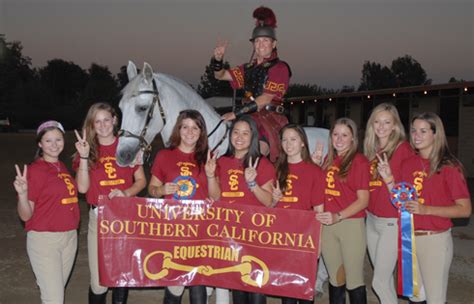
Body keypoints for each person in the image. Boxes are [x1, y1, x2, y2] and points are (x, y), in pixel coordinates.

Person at [376, 112, 471, 304]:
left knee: (435, 298)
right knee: (416, 295)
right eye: (413, 130)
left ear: (436, 134)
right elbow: (401, 199)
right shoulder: (408, 163)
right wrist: (388, 180)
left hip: (434, 240)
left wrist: (425, 209)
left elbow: (464, 209)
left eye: (423, 131)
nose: (416, 135)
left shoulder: (449, 167)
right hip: (409, 237)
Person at [74, 102, 146, 304]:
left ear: (115, 120)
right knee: (99, 281)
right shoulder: (87, 149)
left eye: (107, 119)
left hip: (125, 218)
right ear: (92, 125)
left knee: (121, 276)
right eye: (97, 121)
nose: (103, 125)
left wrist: (126, 192)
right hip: (99, 219)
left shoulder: (128, 146)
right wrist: (84, 158)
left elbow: (141, 181)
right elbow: (82, 188)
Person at [206, 115, 275, 304]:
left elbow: (269, 202)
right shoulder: (221, 161)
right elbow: (216, 197)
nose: (239, 137)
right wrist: (211, 176)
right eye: (235, 132)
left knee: (255, 287)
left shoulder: (263, 163)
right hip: (229, 235)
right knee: (237, 286)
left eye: (245, 133)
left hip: (254, 235)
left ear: (253, 137)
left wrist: (252, 183)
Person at [211, 6, 291, 162]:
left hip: (269, 116)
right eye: (257, 41)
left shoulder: (280, 68)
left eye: (265, 40)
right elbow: (220, 75)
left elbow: (266, 98)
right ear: (253, 44)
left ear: (274, 44)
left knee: (259, 148)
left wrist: (236, 113)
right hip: (247, 114)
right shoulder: (247, 68)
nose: (261, 44)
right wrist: (218, 60)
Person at [13, 120, 80, 304]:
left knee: (55, 294)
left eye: (58, 139)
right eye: (48, 140)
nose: (54, 145)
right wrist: (23, 195)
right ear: (40, 144)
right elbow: (25, 216)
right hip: (45, 240)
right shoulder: (35, 170)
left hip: (69, 238)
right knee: (54, 299)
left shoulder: (62, 168)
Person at [148, 110, 209, 304]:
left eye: (195, 127)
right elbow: (151, 188)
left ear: (201, 132)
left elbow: (216, 194)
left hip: (200, 229)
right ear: (178, 129)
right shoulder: (164, 155)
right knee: (175, 281)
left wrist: (212, 187)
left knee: (198, 281)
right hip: (173, 228)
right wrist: (161, 189)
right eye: (185, 127)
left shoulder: (208, 157)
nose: (189, 132)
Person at [363, 103, 416, 304]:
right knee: (383, 278)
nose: (381, 126)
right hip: (372, 220)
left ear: (395, 125)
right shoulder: (372, 149)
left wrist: (389, 178)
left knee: (379, 282)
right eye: (377, 121)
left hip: (392, 221)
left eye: (387, 122)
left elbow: (408, 191)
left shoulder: (403, 149)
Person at [315, 118, 370, 304]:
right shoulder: (328, 160)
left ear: (353, 138)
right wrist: (314, 165)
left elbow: (363, 200)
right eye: (336, 134)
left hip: (350, 224)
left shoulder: (359, 161)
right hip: (328, 225)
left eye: (344, 135)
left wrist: (338, 216)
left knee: (354, 280)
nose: (339, 139)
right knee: (335, 278)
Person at [271, 124, 325, 304]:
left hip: (304, 238)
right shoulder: (275, 169)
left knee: (304, 290)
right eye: (285, 139)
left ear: (303, 142)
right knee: (287, 290)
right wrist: (273, 200)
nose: (288, 144)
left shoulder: (314, 171)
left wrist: (318, 243)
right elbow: (268, 207)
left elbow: (319, 210)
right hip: (280, 237)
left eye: (293, 139)